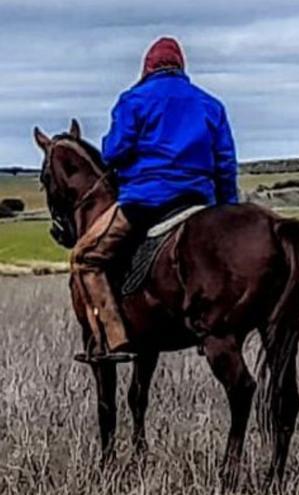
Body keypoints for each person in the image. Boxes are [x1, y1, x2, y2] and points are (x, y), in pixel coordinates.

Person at [71, 36, 239, 363]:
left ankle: (113, 340)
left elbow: (114, 152)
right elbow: (225, 163)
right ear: (181, 66)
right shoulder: (210, 105)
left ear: (147, 67)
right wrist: (227, 211)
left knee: (85, 257)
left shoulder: (133, 100)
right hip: (197, 201)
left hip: (146, 201)